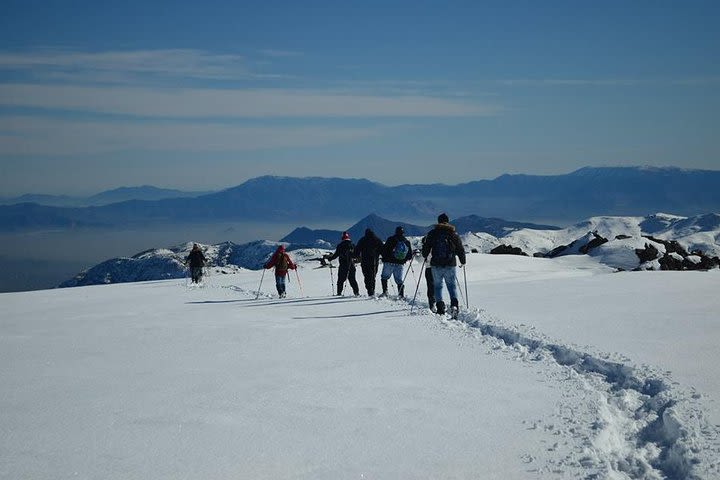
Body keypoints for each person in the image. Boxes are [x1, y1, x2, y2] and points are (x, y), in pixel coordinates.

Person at [421, 213, 466, 316]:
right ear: (447, 221)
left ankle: (440, 307)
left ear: (438, 221)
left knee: (437, 286)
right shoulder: (453, 233)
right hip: (450, 264)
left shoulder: (432, 233)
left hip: (436, 265)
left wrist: (425, 255)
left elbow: (425, 250)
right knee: (452, 286)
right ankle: (454, 306)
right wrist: (463, 261)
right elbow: (460, 249)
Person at [380, 226, 413, 298]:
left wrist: (384, 258)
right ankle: (401, 295)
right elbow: (410, 255)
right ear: (403, 233)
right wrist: (403, 260)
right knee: (399, 280)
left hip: (389, 262)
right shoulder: (406, 242)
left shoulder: (390, 239)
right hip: (400, 264)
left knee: (384, 277)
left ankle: (385, 292)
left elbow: (384, 250)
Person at [324, 231, 360, 296]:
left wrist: (330, 259)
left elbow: (336, 255)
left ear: (342, 238)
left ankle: (339, 293)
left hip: (343, 266)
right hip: (351, 265)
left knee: (340, 281)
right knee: (352, 280)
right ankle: (356, 293)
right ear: (348, 237)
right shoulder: (352, 245)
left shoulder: (340, 246)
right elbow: (356, 255)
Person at [353, 228, 384, 296]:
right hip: (375, 262)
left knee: (367, 276)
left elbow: (357, 251)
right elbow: (383, 251)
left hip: (365, 261)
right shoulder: (377, 240)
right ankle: (372, 290)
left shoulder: (362, 240)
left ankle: (370, 291)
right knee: (373, 276)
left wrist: (353, 256)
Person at [421, 235, 436, 311]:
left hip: (429, 268)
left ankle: (432, 304)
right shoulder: (437, 244)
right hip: (439, 268)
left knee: (430, 286)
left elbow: (424, 255)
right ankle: (439, 303)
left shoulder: (426, 245)